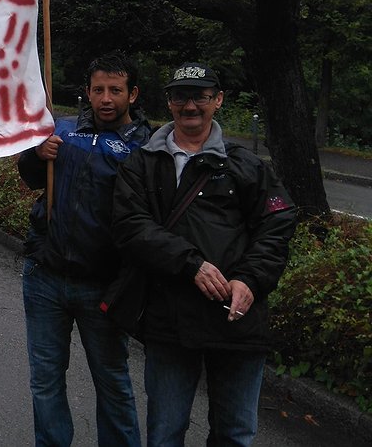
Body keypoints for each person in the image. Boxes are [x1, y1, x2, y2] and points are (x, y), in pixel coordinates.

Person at [112, 62, 296, 446]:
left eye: (200, 96)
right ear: (169, 101)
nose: (190, 105)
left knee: (234, 434)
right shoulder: (142, 163)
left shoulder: (246, 165)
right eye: (181, 96)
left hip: (238, 321)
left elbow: (277, 224)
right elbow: (131, 226)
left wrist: (250, 278)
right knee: (165, 432)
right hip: (169, 319)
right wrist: (190, 264)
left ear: (218, 100)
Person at [16, 52, 151, 447]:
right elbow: (31, 179)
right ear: (87, 93)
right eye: (98, 90)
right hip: (45, 277)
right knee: (45, 380)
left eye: (115, 90)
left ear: (133, 94)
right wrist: (36, 154)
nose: (106, 98)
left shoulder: (145, 145)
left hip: (104, 287)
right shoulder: (63, 129)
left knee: (112, 382)